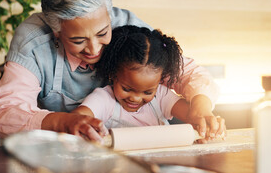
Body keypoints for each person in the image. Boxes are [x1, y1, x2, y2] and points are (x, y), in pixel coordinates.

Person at [0, 0, 221, 142]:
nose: (94, 49)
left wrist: (200, 107)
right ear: (56, 32)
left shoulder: (129, 28)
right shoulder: (34, 41)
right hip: (50, 155)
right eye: (78, 40)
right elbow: (5, 113)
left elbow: (185, 71)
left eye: (102, 33)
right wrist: (64, 122)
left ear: (109, 16)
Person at [73, 25, 226, 142]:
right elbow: (79, 117)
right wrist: (84, 126)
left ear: (160, 81)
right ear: (113, 74)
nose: (136, 98)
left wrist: (206, 123)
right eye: (127, 89)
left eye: (147, 92)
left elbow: (192, 115)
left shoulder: (161, 95)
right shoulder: (104, 99)